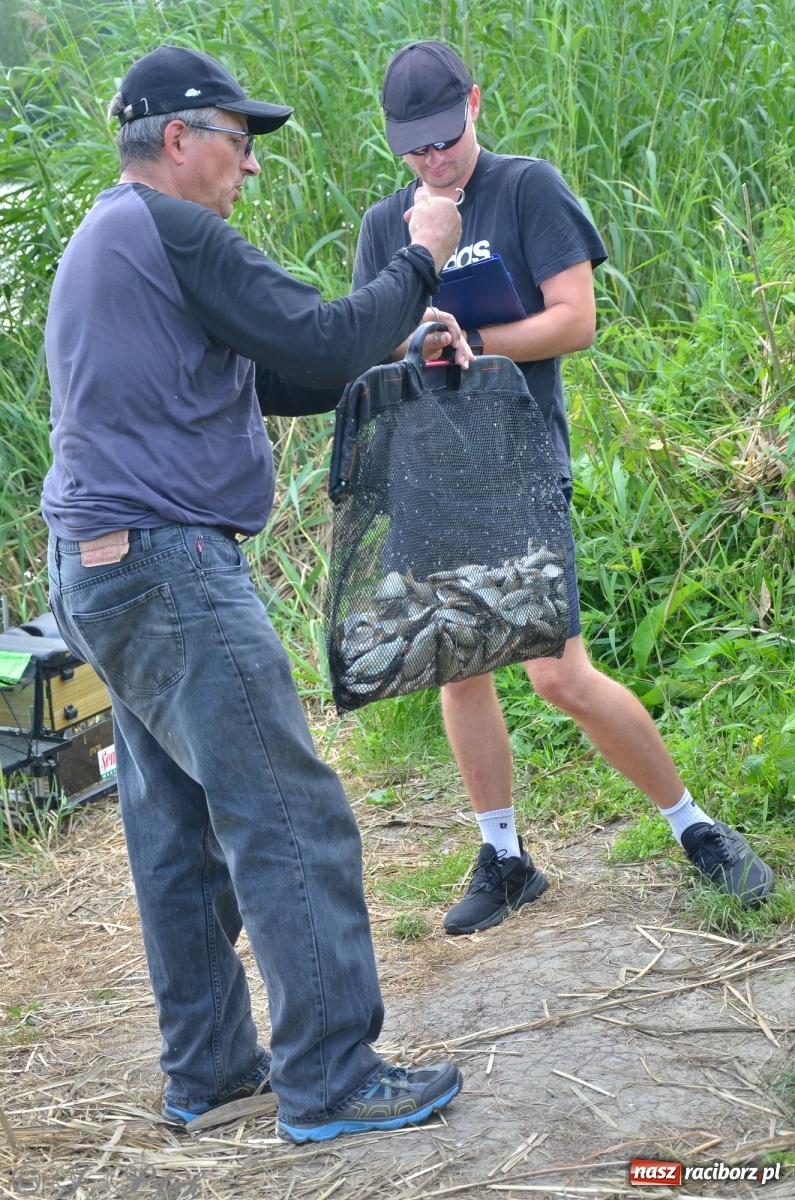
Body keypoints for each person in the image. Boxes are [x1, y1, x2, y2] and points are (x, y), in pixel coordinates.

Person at [42, 44, 469, 1144]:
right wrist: (421, 263)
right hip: (168, 565)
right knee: (286, 809)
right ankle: (329, 1075)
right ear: (178, 140)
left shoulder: (109, 239)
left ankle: (212, 1071)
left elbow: (289, 372)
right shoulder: (173, 228)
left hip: (98, 561)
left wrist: (394, 341)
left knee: (179, 831)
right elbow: (313, 332)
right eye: (239, 142)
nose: (251, 168)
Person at [352, 40, 774, 935]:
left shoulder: (524, 187)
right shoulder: (386, 220)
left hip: (517, 461)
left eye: (444, 137)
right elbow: (371, 338)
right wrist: (414, 340)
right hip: (430, 471)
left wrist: (473, 340)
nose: (432, 160)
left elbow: (575, 321)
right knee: (460, 673)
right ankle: (504, 856)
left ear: (474, 102)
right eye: (413, 147)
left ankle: (693, 827)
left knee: (556, 673)